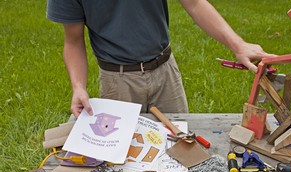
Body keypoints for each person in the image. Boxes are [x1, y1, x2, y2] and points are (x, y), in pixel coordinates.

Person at [47, 0, 274, 118]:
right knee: (124, 160)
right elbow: (73, 41)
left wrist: (238, 45)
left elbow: (194, 4)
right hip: (118, 81)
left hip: (165, 72)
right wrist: (78, 87)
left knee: (180, 146)